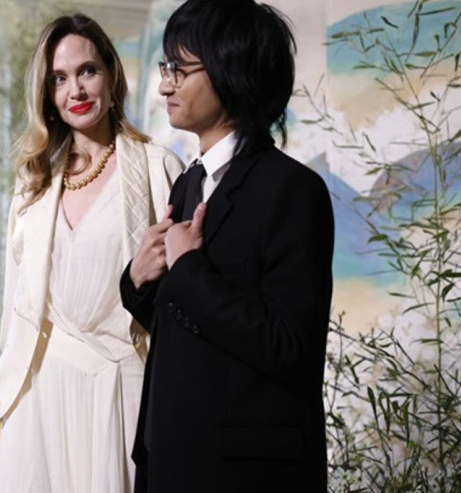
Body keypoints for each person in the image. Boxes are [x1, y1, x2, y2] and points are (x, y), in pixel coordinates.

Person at [120, 0, 334, 491]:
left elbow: (290, 349)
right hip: (172, 457)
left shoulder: (293, 191)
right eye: (166, 68)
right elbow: (192, 328)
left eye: (179, 69)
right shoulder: (188, 184)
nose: (165, 85)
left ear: (230, 71)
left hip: (246, 471)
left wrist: (189, 270)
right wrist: (138, 281)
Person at [0, 12, 184, 493]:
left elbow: (183, 302)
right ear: (46, 94)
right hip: (37, 393)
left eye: (88, 70)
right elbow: (17, 308)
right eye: (59, 79)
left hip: (123, 387)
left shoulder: (159, 170)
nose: (76, 90)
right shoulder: (32, 186)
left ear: (111, 74)